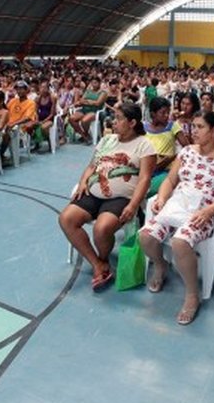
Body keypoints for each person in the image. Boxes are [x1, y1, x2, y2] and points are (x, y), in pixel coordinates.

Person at [140, 111, 214, 325]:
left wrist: (209, 211)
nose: (194, 131)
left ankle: (192, 294)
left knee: (180, 241)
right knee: (146, 236)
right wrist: (162, 198)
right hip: (177, 205)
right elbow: (170, 180)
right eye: (193, 126)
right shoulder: (186, 152)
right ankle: (160, 265)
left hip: (202, 213)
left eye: (200, 127)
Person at [58, 103, 155, 292]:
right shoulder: (107, 140)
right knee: (66, 219)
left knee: (101, 229)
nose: (113, 121)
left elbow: (145, 179)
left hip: (121, 198)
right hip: (93, 193)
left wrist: (133, 205)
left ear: (132, 123)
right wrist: (83, 182)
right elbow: (91, 166)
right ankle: (98, 264)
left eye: (119, 118)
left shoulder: (144, 145)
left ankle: (102, 259)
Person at [144, 96, 189, 196]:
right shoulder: (144, 128)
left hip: (165, 170)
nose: (167, 115)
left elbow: (187, 148)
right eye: (163, 113)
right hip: (146, 168)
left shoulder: (173, 126)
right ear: (153, 114)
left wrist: (172, 157)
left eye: (168, 112)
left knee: (148, 189)